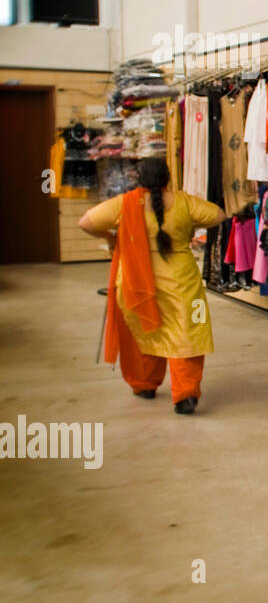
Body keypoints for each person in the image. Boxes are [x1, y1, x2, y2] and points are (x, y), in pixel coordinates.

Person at [79, 157, 227, 414]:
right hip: (184, 284)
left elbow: (86, 222)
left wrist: (112, 236)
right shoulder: (184, 201)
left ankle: (144, 384)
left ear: (139, 178)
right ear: (168, 178)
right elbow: (218, 215)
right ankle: (186, 394)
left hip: (135, 284)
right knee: (190, 333)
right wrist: (189, 225)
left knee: (142, 332)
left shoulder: (124, 205)